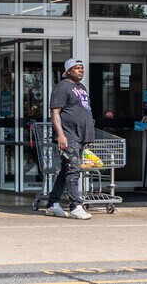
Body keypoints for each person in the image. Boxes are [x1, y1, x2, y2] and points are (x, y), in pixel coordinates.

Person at [45, 58, 95, 220]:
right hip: (68, 135)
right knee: (73, 169)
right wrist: (60, 135)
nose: (81, 71)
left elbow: (84, 111)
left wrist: (88, 136)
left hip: (80, 136)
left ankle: (52, 204)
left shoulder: (81, 87)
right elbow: (55, 112)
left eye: (82, 68)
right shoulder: (62, 87)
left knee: (67, 169)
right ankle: (75, 206)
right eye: (76, 68)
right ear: (68, 71)